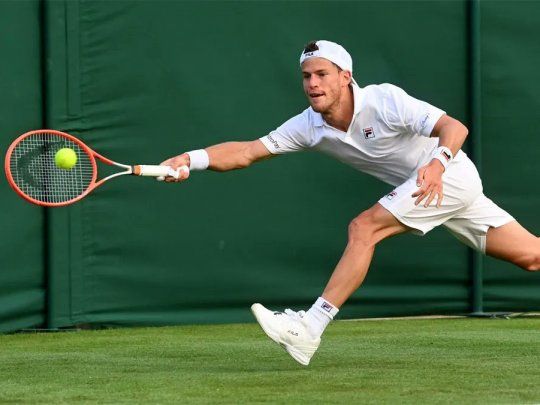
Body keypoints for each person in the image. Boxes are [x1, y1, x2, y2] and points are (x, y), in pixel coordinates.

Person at [160, 40, 539, 366]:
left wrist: (437, 165)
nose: (312, 83)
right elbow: (245, 152)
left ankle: (311, 327)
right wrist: (188, 160)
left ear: (346, 76)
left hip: (448, 177)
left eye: (322, 74)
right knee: (531, 256)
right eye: (307, 76)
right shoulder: (308, 125)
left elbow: (454, 127)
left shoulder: (385, 100)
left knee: (364, 228)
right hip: (432, 188)